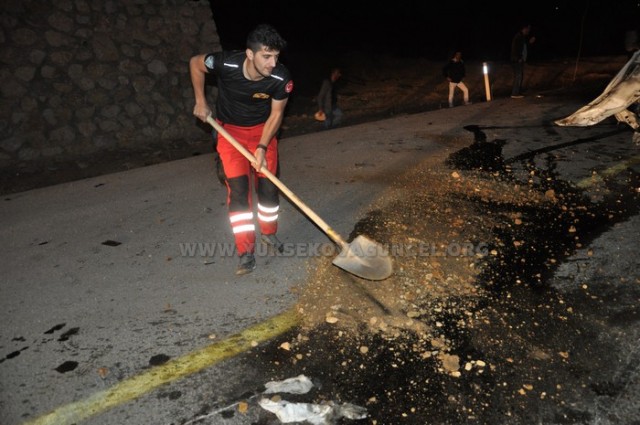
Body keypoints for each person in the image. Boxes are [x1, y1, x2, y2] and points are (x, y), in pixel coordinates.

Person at [190, 23, 294, 275]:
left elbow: (276, 115)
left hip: (263, 132)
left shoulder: (281, 78)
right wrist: (201, 101)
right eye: (266, 56)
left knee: (269, 190)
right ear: (250, 54)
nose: (273, 63)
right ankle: (245, 250)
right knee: (238, 192)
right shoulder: (227, 63)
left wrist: (261, 146)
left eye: (276, 56)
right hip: (229, 133)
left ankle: (269, 234)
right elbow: (195, 62)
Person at [510, 23, 536, 98]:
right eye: (528, 29)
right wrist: (518, 58)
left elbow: (523, 47)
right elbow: (515, 48)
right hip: (516, 60)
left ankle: (517, 92)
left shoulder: (521, 37)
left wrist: (530, 42)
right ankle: (515, 93)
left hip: (518, 59)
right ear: (524, 28)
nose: (529, 31)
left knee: (520, 75)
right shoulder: (519, 37)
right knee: (518, 76)